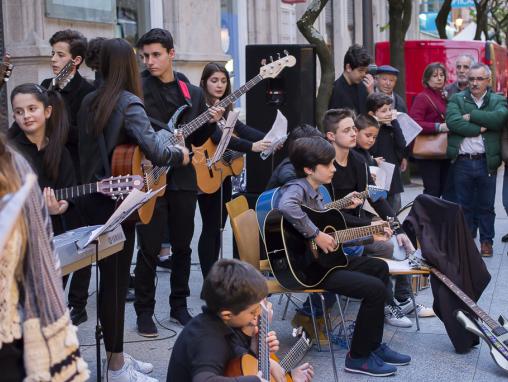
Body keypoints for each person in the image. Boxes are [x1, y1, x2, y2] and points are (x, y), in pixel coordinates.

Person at [78, 37, 189, 382]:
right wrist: (180, 155)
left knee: (111, 283)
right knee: (113, 287)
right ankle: (114, 368)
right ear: (128, 66)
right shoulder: (129, 103)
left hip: (93, 200)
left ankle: (118, 355)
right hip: (118, 205)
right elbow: (155, 150)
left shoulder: (88, 102)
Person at [276, 135, 411, 376]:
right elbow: (286, 206)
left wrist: (370, 234)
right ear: (308, 169)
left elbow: (334, 234)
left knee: (379, 269)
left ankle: (372, 345)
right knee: (374, 289)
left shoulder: (316, 191)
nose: (333, 169)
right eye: (327, 165)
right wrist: (316, 234)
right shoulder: (297, 188)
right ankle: (358, 358)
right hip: (309, 271)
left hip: (325, 263)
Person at [133, 28, 223, 337]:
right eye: (145, 56)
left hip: (183, 177)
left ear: (171, 53)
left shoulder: (191, 93)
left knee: (183, 246)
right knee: (148, 247)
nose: (150, 61)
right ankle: (144, 311)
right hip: (148, 176)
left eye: (156, 54)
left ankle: (179, 305)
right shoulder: (138, 88)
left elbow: (196, 139)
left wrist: (208, 121)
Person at [0, 133, 89, 381]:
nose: (27, 116)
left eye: (32, 109)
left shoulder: (13, 164)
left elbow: (40, 265)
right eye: (19, 110)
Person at [166, 258, 314, 382]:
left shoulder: (230, 322)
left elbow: (237, 365)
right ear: (227, 314)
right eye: (252, 311)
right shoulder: (208, 340)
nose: (259, 313)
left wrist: (256, 350)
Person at [40, 29, 96, 326]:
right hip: (49, 172)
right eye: (52, 53)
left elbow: (84, 138)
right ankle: (53, 299)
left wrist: (55, 130)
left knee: (80, 238)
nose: (53, 59)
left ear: (74, 60)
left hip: (77, 173)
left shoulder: (86, 93)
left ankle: (78, 303)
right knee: (53, 236)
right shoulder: (46, 86)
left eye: (59, 54)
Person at [197, 62, 270, 280]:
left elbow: (241, 129)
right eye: (214, 80)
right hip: (205, 171)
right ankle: (208, 280)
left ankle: (216, 275)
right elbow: (217, 137)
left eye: (223, 81)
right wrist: (251, 147)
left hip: (223, 173)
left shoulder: (225, 107)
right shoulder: (199, 107)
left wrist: (269, 139)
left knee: (219, 226)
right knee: (210, 228)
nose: (219, 85)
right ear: (204, 83)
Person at [446, 63, 508, 257]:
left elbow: (499, 119)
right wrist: (480, 127)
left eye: (479, 79)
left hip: (486, 161)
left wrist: (471, 115)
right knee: (463, 206)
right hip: (462, 161)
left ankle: (486, 242)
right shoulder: (457, 98)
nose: (474, 82)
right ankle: (465, 242)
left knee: (486, 206)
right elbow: (453, 122)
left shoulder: (498, 100)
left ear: (488, 81)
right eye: (471, 78)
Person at [409, 62, 450, 198]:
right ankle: (427, 219)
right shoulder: (423, 97)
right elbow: (414, 122)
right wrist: (438, 127)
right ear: (427, 79)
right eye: (435, 75)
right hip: (428, 151)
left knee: (443, 189)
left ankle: (437, 218)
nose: (439, 78)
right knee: (432, 190)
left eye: (441, 75)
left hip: (443, 150)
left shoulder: (443, 96)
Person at [367, 92, 407, 213]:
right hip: (377, 175)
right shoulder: (369, 132)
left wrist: (394, 122)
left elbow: (402, 144)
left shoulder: (390, 127)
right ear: (372, 114)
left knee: (395, 211)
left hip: (393, 175)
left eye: (390, 109)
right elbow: (372, 149)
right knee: (378, 211)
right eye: (384, 111)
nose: (389, 113)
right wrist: (376, 124)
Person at [329, 44, 374, 115]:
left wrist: (371, 94)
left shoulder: (363, 86)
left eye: (365, 71)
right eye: (360, 70)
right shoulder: (336, 90)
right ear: (348, 68)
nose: (364, 74)